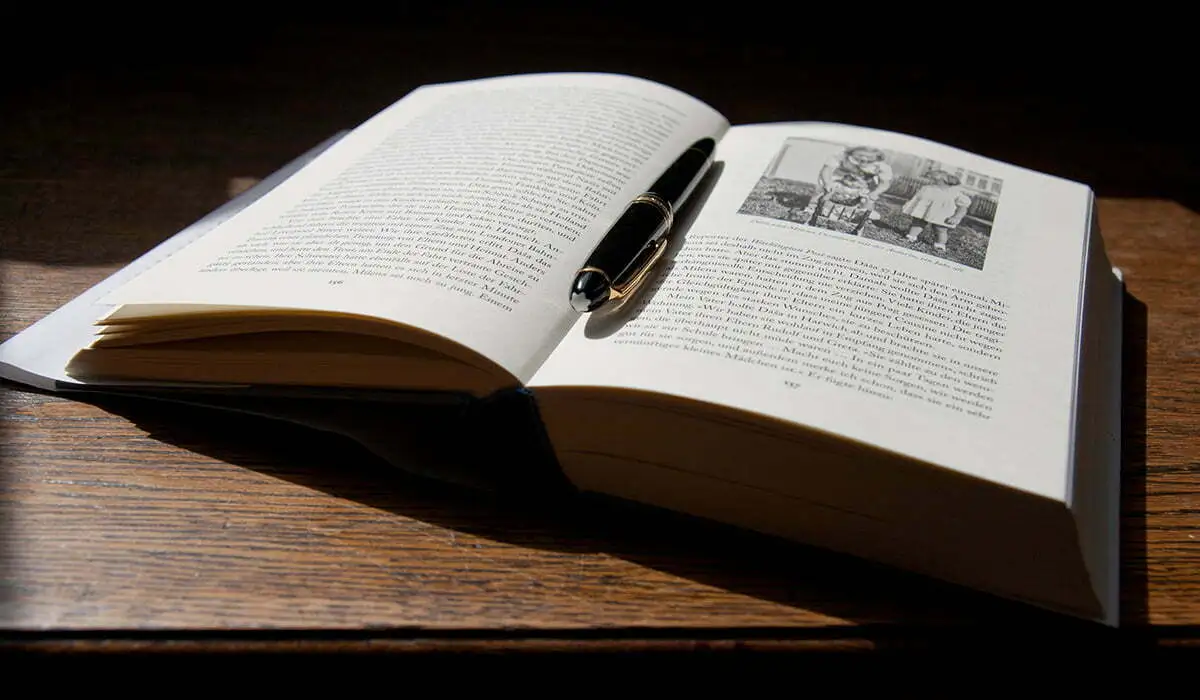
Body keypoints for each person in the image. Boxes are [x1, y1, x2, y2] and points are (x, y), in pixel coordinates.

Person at [902, 170, 973, 252]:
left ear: (946, 182)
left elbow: (963, 207)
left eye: (936, 179)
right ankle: (911, 236)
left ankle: (940, 245)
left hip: (942, 214)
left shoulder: (954, 193)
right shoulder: (928, 188)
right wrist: (912, 205)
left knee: (940, 229)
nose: (933, 181)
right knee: (918, 222)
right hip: (924, 211)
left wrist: (956, 217)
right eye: (932, 179)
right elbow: (919, 198)